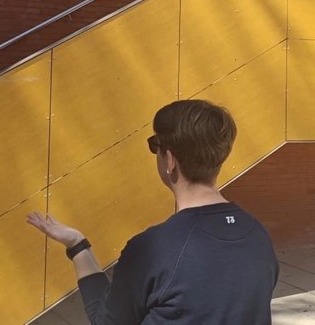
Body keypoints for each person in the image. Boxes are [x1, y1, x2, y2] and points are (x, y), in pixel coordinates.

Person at [27, 99, 279, 324]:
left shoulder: (153, 249)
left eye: (155, 145)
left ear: (169, 160)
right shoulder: (258, 236)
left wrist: (77, 246)